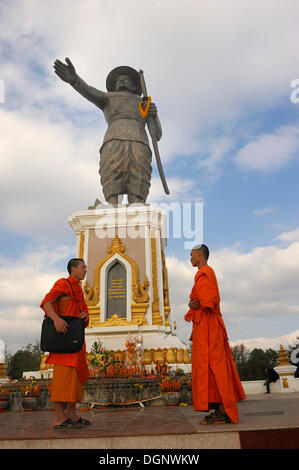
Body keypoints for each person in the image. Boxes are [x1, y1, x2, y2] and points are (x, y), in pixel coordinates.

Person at [53, 58, 162, 205]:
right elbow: (89, 91)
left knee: (139, 172)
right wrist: (74, 80)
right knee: (112, 170)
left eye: (126, 80)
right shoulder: (108, 98)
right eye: (119, 80)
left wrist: (154, 116)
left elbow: (157, 135)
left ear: (134, 85)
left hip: (139, 140)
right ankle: (112, 204)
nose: (122, 81)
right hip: (114, 138)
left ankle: (137, 204)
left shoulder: (143, 102)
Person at [185, 244, 246, 424]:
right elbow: (199, 299)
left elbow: (209, 300)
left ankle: (224, 410)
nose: (190, 259)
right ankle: (220, 409)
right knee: (212, 368)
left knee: (215, 367)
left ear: (199, 255)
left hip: (209, 327)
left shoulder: (204, 272)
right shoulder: (204, 274)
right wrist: (193, 303)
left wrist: (197, 303)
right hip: (207, 326)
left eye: (191, 255)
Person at [40, 258, 90, 429]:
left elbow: (82, 312)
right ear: (73, 268)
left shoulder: (79, 289)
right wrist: (56, 319)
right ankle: (58, 417)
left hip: (75, 341)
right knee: (63, 380)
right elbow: (46, 302)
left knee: (75, 379)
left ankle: (72, 414)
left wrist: (83, 316)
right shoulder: (63, 284)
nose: (85, 270)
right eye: (83, 267)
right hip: (63, 340)